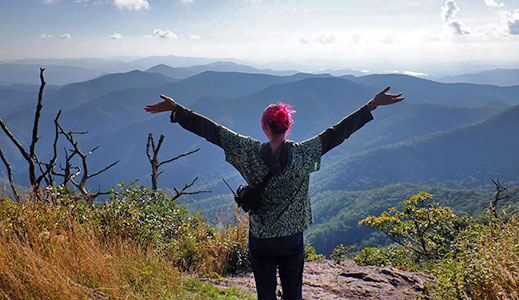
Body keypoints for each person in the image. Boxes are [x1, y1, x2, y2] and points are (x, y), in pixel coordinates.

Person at [144, 86, 404, 300]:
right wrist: (372, 105)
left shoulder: (246, 150)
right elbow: (338, 133)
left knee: (265, 295)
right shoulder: (305, 154)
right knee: (294, 294)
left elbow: (212, 131)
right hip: (292, 239)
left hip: (261, 238)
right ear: (287, 127)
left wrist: (177, 110)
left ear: (265, 128)